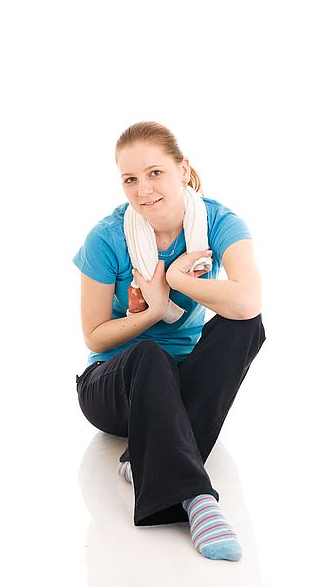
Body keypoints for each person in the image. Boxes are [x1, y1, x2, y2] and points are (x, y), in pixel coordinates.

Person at [73, 121, 266, 562]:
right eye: (130, 179)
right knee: (149, 354)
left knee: (244, 324)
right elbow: (94, 334)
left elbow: (248, 300)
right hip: (113, 384)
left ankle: (145, 458)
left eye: (155, 173)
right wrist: (154, 312)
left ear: (183, 169)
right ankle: (198, 501)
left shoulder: (218, 222)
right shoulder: (106, 237)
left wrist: (178, 279)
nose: (143, 190)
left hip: (178, 388)